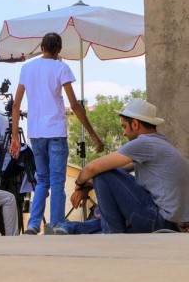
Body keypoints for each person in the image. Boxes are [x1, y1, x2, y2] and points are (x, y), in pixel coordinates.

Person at [10, 32, 104, 235]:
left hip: (36, 133)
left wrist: (14, 137)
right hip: (55, 132)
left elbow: (16, 105)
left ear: (41, 47)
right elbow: (75, 105)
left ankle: (33, 224)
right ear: (59, 49)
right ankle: (56, 225)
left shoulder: (27, 68)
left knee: (42, 180)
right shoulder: (61, 68)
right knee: (57, 181)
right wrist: (94, 135)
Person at [70, 98, 189, 234]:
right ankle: (68, 228)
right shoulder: (161, 143)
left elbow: (92, 168)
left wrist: (78, 185)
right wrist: (86, 187)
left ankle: (112, 235)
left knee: (102, 173)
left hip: (159, 220)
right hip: (171, 223)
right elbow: (116, 173)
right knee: (104, 176)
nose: (124, 133)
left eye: (124, 126)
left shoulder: (145, 143)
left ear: (136, 124)